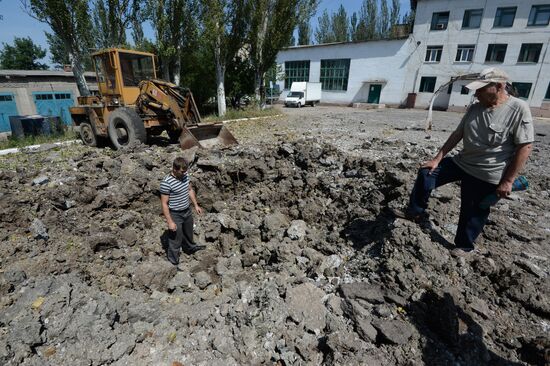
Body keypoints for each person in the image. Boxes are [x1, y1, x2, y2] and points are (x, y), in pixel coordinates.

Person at [394, 68, 534, 256]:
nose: (476, 94)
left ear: (499, 87)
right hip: (462, 162)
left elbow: (525, 147)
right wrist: (437, 159)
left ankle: (464, 246)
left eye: (481, 89)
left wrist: (508, 181)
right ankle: (415, 211)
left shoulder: (518, 108)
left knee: (472, 211)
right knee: (427, 174)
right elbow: (457, 134)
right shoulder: (475, 108)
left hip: (487, 171)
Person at [160, 157, 205, 266]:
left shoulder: (185, 176)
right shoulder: (166, 183)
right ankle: (173, 261)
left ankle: (190, 248)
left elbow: (189, 190)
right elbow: (164, 204)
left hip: (187, 210)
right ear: (174, 169)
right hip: (175, 214)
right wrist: (170, 222)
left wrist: (195, 205)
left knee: (189, 232)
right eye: (182, 171)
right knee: (175, 238)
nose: (184, 173)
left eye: (185, 171)